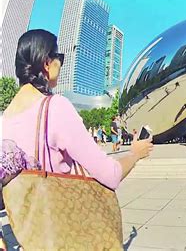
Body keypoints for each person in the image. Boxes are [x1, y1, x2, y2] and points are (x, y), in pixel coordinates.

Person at [1, 29, 153, 247]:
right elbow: (110, 174)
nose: (61, 65)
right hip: (65, 234)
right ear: (47, 62)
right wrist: (135, 153)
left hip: (30, 238)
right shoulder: (55, 107)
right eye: (59, 58)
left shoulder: (4, 119)